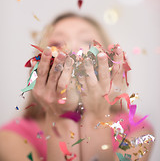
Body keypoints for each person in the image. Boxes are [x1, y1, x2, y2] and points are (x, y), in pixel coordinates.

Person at [0, 12, 154, 161]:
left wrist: (97, 116)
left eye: (87, 42)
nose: (73, 48)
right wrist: (59, 115)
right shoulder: (11, 137)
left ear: (110, 62)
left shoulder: (137, 131)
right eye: (57, 43)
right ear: (39, 64)